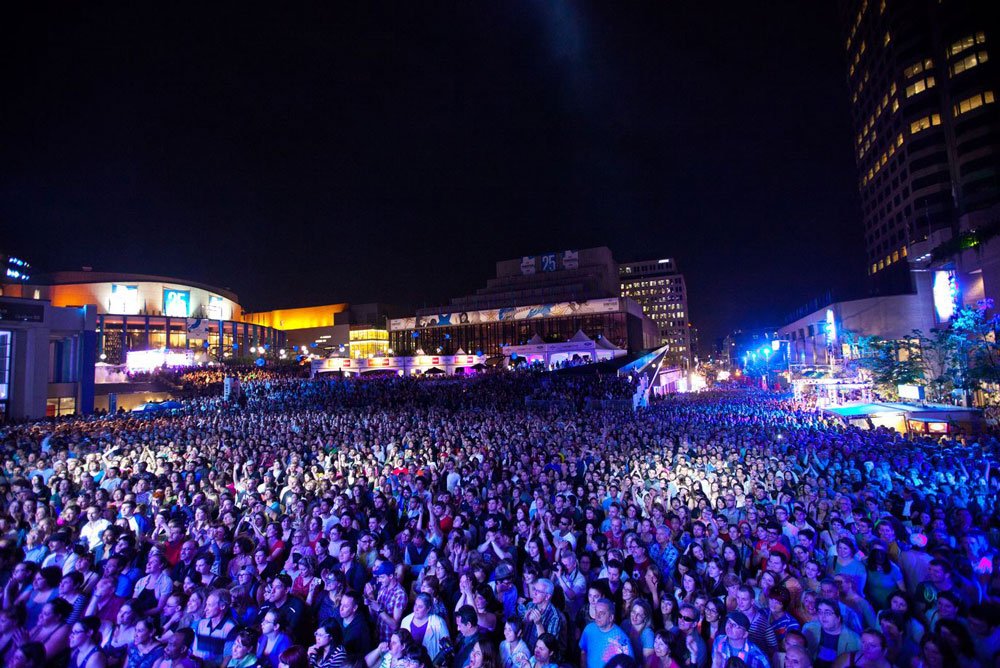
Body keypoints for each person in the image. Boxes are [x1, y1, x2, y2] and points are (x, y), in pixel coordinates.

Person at [801, 598, 861, 668]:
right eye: (820, 612)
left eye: (827, 613)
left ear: (838, 617)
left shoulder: (854, 640)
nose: (823, 616)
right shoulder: (809, 629)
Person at [579, 597, 634, 668]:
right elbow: (583, 652)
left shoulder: (622, 639)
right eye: (596, 611)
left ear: (611, 617)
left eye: (602, 613)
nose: (597, 616)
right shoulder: (589, 629)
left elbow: (629, 664)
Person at [401, 592, 449, 661]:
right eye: (415, 605)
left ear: (428, 609)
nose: (416, 609)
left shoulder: (438, 622)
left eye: (420, 607)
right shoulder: (405, 621)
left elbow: (447, 648)